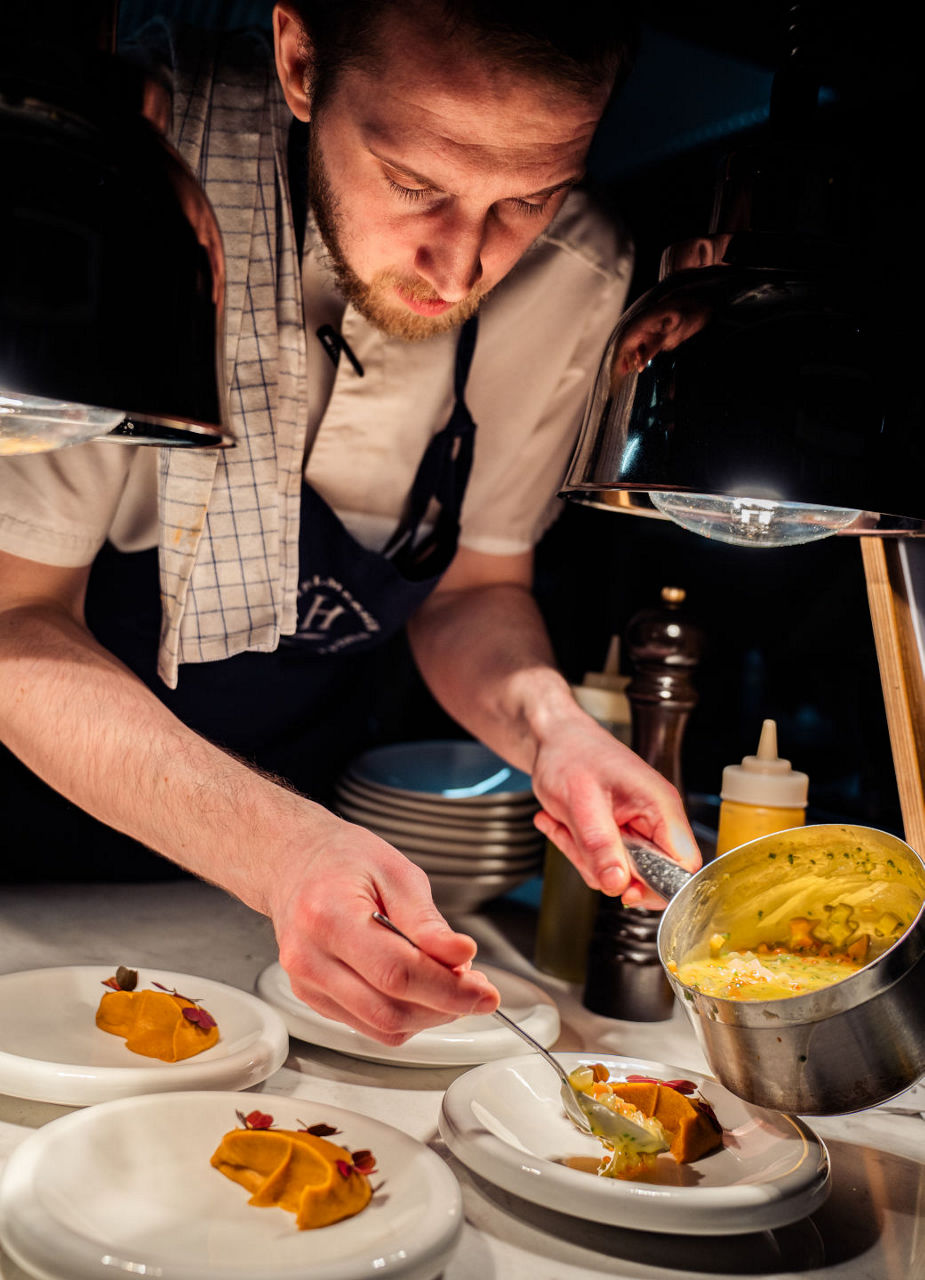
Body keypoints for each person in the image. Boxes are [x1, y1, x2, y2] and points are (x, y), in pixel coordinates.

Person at [0, 0, 701, 1044]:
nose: (460, 267)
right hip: (28, 872)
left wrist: (552, 730)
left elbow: (474, 589)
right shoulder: (131, 198)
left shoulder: (574, 278)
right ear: (298, 60)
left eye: (528, 199)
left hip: (311, 895)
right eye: (416, 184)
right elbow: (14, 624)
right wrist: (276, 847)